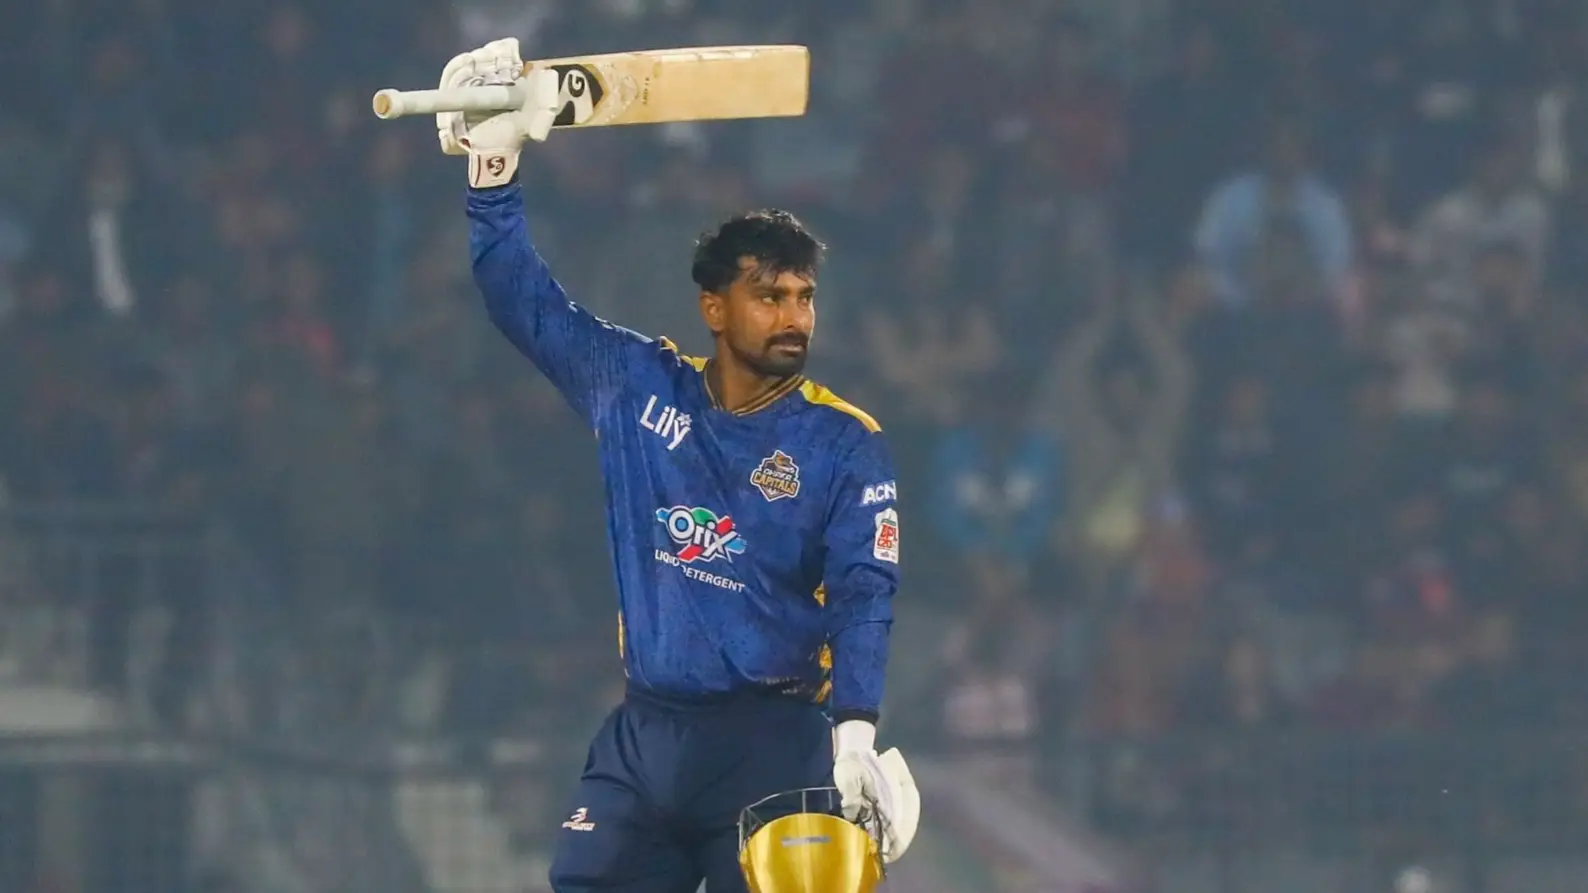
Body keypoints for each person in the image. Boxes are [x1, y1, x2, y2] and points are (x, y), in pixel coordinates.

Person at [434, 39, 919, 891]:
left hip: (774, 743)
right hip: (647, 735)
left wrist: (854, 735)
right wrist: (493, 170)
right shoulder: (634, 387)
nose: (793, 316)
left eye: (804, 297)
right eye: (769, 296)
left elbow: (863, 594)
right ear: (713, 308)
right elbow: (520, 297)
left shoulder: (844, 442)